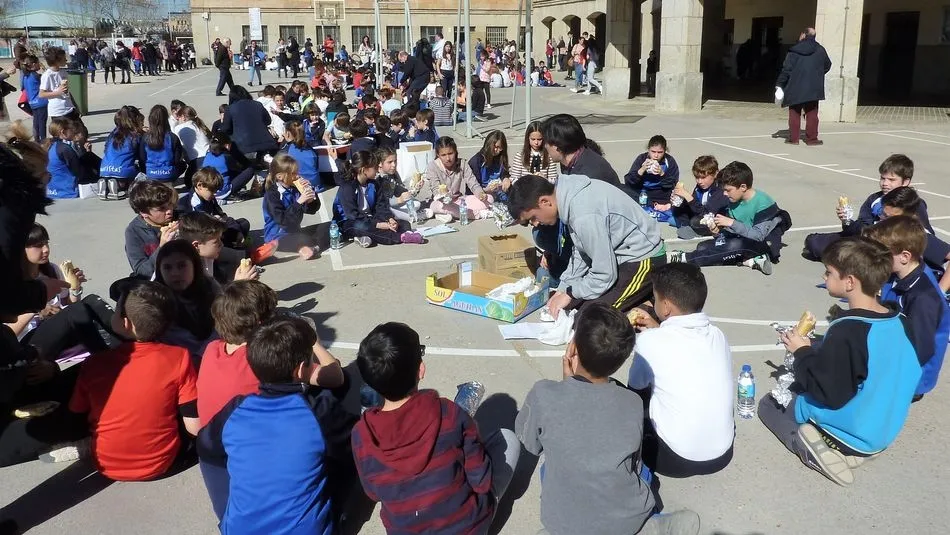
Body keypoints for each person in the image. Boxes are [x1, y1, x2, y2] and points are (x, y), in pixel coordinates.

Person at [515, 303, 700, 535]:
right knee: (642, 473)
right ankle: (650, 525)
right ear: (619, 361)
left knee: (550, 466)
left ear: (573, 347)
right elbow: (633, 460)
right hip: (627, 520)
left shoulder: (543, 394)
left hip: (561, 524)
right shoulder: (632, 402)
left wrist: (566, 387)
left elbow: (529, 443)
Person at [758, 237, 921, 487]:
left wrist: (801, 352)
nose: (824, 277)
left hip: (854, 432)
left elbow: (828, 393)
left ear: (850, 282)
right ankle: (849, 451)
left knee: (770, 404)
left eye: (829, 272)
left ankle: (811, 447)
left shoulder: (847, 329)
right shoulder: (899, 319)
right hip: (884, 431)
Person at [351, 322, 521, 534]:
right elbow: (482, 481)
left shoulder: (362, 435)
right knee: (508, 438)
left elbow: (373, 492)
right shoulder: (448, 413)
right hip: (467, 527)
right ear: (420, 369)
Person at [198, 315, 352, 534]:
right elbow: (355, 448)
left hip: (239, 529)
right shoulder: (318, 412)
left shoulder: (235, 409)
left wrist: (226, 510)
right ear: (300, 370)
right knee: (344, 464)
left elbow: (206, 449)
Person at [67, 281, 201, 480]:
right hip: (161, 463)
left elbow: (76, 412)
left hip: (105, 464)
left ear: (125, 323)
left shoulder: (94, 364)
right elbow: (194, 427)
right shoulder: (179, 357)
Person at [507, 174, 666, 319]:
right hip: (619, 259)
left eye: (533, 218)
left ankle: (652, 308)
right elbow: (581, 252)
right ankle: (636, 298)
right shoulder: (567, 197)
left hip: (644, 260)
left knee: (588, 320)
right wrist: (563, 288)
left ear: (545, 202)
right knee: (569, 306)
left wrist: (570, 293)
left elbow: (605, 274)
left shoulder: (584, 214)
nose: (535, 224)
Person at [627, 263, 734, 477]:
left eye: (655, 299)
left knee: (621, 391)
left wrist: (649, 335)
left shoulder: (650, 342)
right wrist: (657, 329)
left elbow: (634, 390)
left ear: (665, 307)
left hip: (672, 460)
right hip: (722, 454)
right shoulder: (717, 335)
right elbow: (683, 350)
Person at [864, 216, 950, 402]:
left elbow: (920, 349)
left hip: (912, 376)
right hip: (896, 353)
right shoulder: (899, 275)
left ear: (904, 256)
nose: (875, 258)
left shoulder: (923, 297)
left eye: (881, 253)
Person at [802, 154, 930, 261]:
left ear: (906, 182)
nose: (885, 183)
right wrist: (846, 221)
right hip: (867, 241)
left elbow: (924, 235)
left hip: (893, 249)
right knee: (815, 242)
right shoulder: (874, 199)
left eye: (891, 180)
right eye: (882, 178)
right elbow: (861, 229)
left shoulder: (913, 204)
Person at [670, 161, 790, 276]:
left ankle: (685, 257)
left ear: (743, 187)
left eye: (728, 190)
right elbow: (733, 232)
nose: (725, 194)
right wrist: (718, 232)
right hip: (742, 239)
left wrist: (731, 223)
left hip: (763, 244)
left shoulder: (764, 203)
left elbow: (758, 235)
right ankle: (750, 261)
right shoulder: (734, 199)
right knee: (703, 247)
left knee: (734, 245)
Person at [331, 150, 423, 248]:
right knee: (361, 226)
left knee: (403, 223)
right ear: (364, 170)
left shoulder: (374, 184)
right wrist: (379, 225)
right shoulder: (347, 187)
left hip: (369, 217)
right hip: (348, 222)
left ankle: (364, 237)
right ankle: (401, 237)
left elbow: (381, 206)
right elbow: (352, 215)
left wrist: (389, 219)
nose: (377, 170)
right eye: (375, 167)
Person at [879, 187, 950, 292]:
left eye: (891, 218)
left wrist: (940, 292)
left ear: (909, 217)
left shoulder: (917, 238)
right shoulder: (889, 231)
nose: (883, 220)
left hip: (921, 293)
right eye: (883, 214)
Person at [776, 28, 832, 146]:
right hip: (813, 87)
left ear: (803, 35)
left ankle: (794, 139)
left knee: (794, 113)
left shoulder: (794, 50)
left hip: (795, 86)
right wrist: (817, 75)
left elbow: (786, 69)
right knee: (812, 113)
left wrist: (779, 84)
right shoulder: (820, 50)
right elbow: (827, 65)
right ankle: (812, 139)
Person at [261, 153, 321, 261]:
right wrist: (299, 202)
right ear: (280, 176)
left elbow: (312, 210)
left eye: (297, 172)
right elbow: (283, 221)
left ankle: (308, 247)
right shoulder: (272, 195)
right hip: (277, 236)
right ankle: (305, 247)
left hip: (295, 232)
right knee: (305, 239)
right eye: (293, 173)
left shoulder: (294, 188)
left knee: (327, 228)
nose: (297, 176)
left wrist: (311, 196)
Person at [425, 137, 491, 223]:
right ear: (438, 155)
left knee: (489, 199)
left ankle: (448, 214)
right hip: (442, 202)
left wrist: (480, 194)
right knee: (436, 206)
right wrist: (444, 197)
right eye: (443, 155)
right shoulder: (432, 166)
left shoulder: (462, 163)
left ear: (455, 152)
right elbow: (435, 189)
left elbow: (473, 183)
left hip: (458, 200)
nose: (448, 158)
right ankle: (476, 214)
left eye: (450, 153)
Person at [540, 114, 619, 186]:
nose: (545, 146)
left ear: (557, 147)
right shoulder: (571, 160)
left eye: (546, 143)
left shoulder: (588, 177)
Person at [124, 180, 179, 279]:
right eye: (161, 209)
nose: (169, 211)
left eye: (170, 204)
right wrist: (162, 247)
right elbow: (142, 271)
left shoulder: (180, 218)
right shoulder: (134, 232)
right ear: (144, 213)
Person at [671, 155, 729, 240]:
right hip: (701, 213)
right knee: (677, 209)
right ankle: (690, 228)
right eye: (697, 178)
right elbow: (694, 204)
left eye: (703, 177)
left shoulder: (720, 190)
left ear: (715, 173)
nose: (699, 181)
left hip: (714, 219)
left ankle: (697, 231)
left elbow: (707, 213)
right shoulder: (700, 187)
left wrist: (688, 196)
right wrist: (680, 199)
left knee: (695, 221)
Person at [220, 86, 279, 165]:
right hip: (266, 144)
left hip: (243, 147)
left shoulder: (230, 108)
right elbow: (268, 121)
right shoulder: (257, 104)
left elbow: (226, 129)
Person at [624, 135, 681, 207]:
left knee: (680, 200)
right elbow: (629, 181)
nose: (656, 155)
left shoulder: (669, 161)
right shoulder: (641, 159)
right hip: (643, 192)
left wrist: (662, 174)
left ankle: (657, 206)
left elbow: (673, 184)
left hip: (662, 194)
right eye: (653, 151)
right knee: (625, 190)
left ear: (665, 151)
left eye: (660, 152)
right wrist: (642, 169)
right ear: (648, 150)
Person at [140, 105, 186, 183]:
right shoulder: (172, 137)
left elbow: (142, 158)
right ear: (166, 120)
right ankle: (169, 181)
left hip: (151, 173)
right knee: (183, 165)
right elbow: (177, 159)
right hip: (168, 173)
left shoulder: (145, 137)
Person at [173, 106, 212, 190]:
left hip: (197, 161)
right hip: (210, 156)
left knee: (189, 183)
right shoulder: (200, 125)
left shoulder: (178, 129)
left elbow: (178, 147)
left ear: (183, 117)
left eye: (178, 118)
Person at [468, 130, 511, 203]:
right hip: (482, 194)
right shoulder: (476, 161)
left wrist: (506, 178)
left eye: (500, 148)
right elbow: (471, 187)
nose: (496, 150)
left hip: (499, 192)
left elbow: (505, 173)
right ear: (488, 145)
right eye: (494, 147)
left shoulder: (501, 158)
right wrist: (485, 190)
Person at [39, 47, 78, 125]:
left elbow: (67, 91)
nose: (66, 60)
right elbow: (41, 94)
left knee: (80, 131)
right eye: (64, 58)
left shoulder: (64, 72)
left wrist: (75, 105)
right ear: (56, 60)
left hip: (69, 108)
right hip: (58, 111)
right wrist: (58, 92)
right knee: (63, 135)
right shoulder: (47, 75)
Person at [21, 55, 47, 141]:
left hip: (32, 103)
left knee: (36, 122)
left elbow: (23, 88)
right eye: (38, 63)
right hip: (41, 102)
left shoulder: (25, 76)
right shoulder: (36, 75)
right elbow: (46, 81)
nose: (39, 64)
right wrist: (44, 69)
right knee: (42, 123)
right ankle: (43, 141)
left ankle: (37, 140)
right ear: (33, 64)